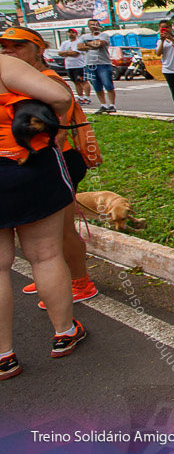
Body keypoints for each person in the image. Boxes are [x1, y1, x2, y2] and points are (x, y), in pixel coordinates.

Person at [0, 54, 86, 380]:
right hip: (27, 163)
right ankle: (64, 333)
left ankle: (3, 356)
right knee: (46, 254)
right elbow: (62, 98)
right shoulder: (4, 66)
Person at [0, 26, 100, 308]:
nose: (9, 51)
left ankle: (80, 281)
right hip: (30, 164)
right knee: (43, 238)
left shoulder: (50, 82)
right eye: (5, 47)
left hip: (58, 161)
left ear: (39, 49)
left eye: (18, 46)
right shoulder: (18, 81)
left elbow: (57, 133)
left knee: (63, 230)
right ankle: (56, 278)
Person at [76, 18, 115, 112]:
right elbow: (79, 47)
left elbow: (100, 44)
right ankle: (103, 105)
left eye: (95, 24)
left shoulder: (104, 35)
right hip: (90, 65)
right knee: (97, 86)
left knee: (108, 85)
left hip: (103, 64)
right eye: (91, 25)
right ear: (88, 26)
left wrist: (87, 44)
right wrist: (92, 44)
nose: (93, 27)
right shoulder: (83, 36)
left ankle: (112, 105)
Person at [58, 28, 90, 103]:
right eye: (69, 32)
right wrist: (69, 52)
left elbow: (75, 53)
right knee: (75, 82)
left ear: (76, 34)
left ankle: (87, 97)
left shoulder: (78, 42)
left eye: (73, 32)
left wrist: (66, 53)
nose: (71, 34)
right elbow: (60, 53)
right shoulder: (64, 43)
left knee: (83, 81)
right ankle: (80, 97)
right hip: (69, 65)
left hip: (79, 65)